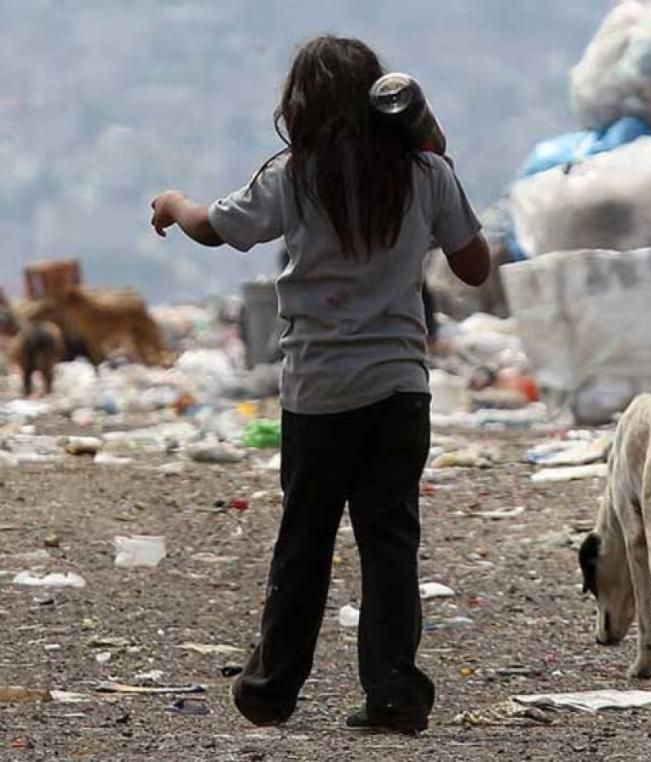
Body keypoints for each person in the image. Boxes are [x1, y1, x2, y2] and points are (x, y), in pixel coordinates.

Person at [148, 35, 490, 733]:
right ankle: (394, 692)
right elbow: (476, 266)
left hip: (319, 391)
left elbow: (218, 229)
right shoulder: (424, 175)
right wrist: (438, 159)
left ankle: (272, 688)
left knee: (305, 540)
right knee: (389, 541)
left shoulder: (295, 175)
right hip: (400, 389)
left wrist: (173, 203)